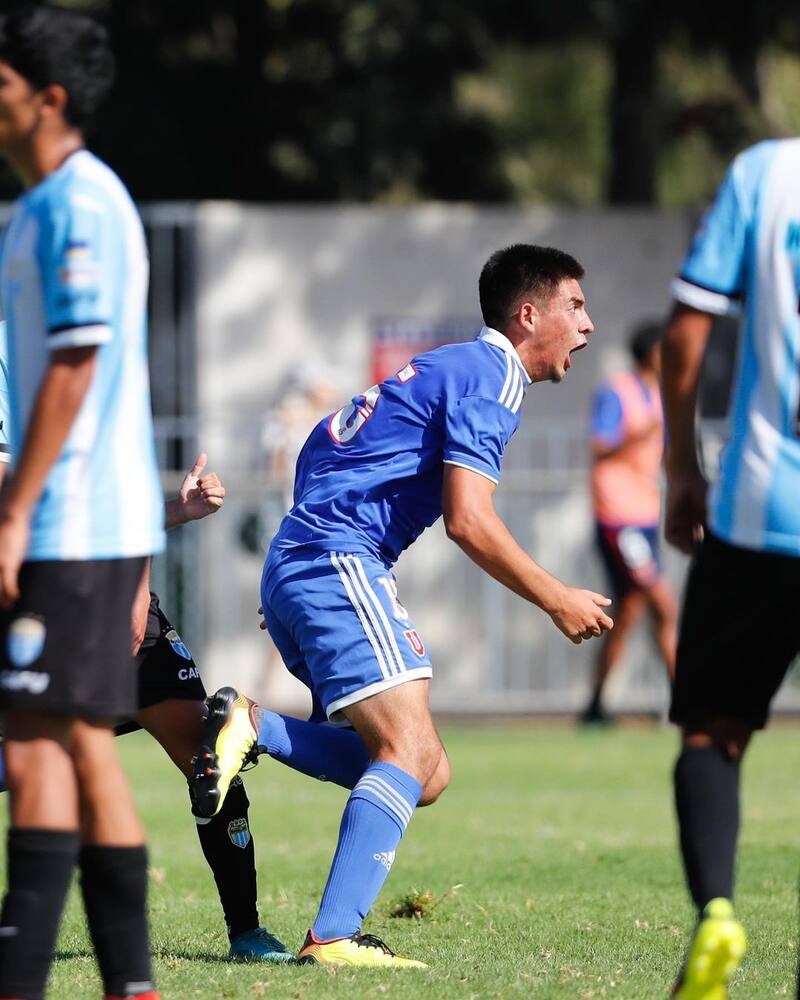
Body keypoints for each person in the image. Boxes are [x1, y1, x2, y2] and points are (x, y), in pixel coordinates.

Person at [190, 243, 614, 968]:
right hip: (335, 563)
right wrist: (557, 598)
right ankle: (332, 938)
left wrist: (295, 569)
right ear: (528, 314)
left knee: (428, 772)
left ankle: (250, 726)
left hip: (306, 564)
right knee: (408, 753)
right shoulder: (493, 375)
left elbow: (322, 446)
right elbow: (469, 520)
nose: (588, 325)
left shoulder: (443, 366)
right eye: (575, 306)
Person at [0, 8, 159, 998]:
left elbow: (74, 360)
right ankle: (114, 985)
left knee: (41, 740)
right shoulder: (37, 206)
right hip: (73, 520)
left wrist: (14, 511)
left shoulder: (79, 203)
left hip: (76, 520)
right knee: (61, 741)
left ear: (45, 98)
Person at [0, 444, 290, 963]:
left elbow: (118, 508)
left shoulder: (98, 381)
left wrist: (168, 525)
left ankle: (246, 931)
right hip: (47, 612)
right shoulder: (24, 384)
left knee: (211, 765)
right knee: (37, 761)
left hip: (128, 617)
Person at [661, 137, 800, 998]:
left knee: (713, 731)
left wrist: (683, 467)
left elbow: (686, 328)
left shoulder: (769, 173)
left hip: (762, 508)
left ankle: (716, 911)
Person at [580, 321, 677, 724]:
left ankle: (596, 705)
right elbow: (600, 444)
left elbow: (669, 456)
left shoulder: (663, 395)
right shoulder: (617, 391)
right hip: (618, 515)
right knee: (662, 602)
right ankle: (688, 702)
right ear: (650, 351)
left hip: (645, 514)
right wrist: (639, 435)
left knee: (632, 609)